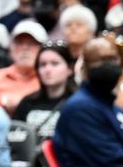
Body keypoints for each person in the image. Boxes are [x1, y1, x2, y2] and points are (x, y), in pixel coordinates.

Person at [50, 37, 123, 167]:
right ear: (86, 68)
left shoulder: (110, 106)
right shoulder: (80, 109)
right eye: (100, 60)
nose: (108, 65)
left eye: (113, 59)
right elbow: (112, 162)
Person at [11, 41, 74, 145]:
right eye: (43, 64)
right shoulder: (28, 102)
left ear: (69, 69)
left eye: (55, 64)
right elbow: (15, 138)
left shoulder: (77, 103)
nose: (47, 70)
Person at [0, 19, 47, 113]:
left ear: (43, 49)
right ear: (11, 47)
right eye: (19, 43)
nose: (25, 48)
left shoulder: (48, 78)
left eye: (31, 44)